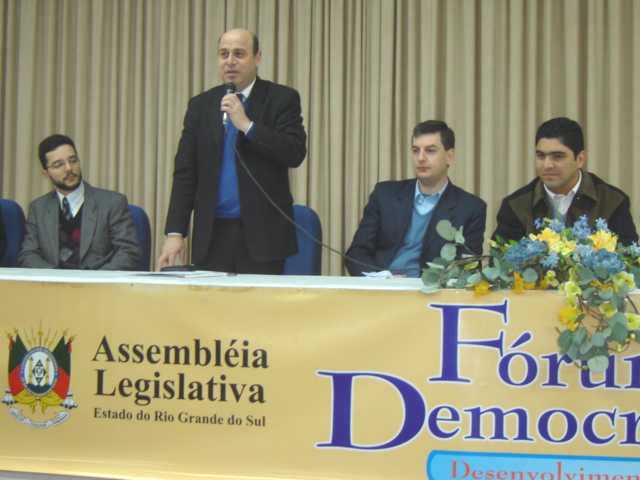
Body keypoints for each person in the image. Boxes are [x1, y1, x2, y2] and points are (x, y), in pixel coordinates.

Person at [158, 28, 307, 274]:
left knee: (257, 312)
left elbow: (294, 152)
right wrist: (175, 232)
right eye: (224, 54)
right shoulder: (201, 105)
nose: (230, 61)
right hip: (212, 235)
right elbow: (185, 172)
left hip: (263, 237)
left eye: (239, 54)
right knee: (212, 312)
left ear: (257, 58)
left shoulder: (282, 99)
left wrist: (247, 125)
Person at [345, 120, 487, 277]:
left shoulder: (470, 208)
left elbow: (469, 268)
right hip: (381, 289)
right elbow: (356, 252)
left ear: (449, 157)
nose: (420, 158)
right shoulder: (385, 194)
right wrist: (378, 279)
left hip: (429, 293)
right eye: (415, 150)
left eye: (430, 151)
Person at [493, 117, 638, 244]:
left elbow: (630, 262)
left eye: (558, 156)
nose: (547, 165)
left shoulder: (612, 201)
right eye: (541, 156)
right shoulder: (516, 205)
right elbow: (500, 264)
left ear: (580, 159)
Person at [18, 134, 140, 270]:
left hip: (98, 287)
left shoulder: (112, 203)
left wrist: (92, 282)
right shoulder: (38, 208)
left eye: (73, 160)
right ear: (46, 173)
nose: (69, 168)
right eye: (59, 165)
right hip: (54, 287)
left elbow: (128, 252)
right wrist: (55, 279)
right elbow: (28, 254)